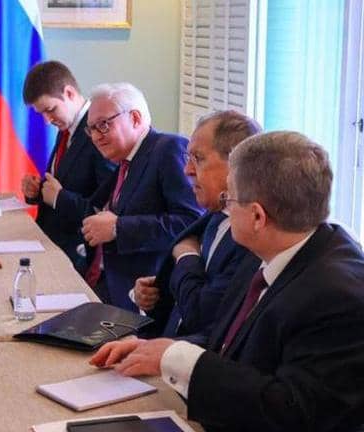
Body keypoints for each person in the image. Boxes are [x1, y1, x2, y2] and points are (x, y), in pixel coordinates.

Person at [90, 131, 364, 432]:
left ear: (257, 217)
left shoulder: (338, 296)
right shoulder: (270, 249)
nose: (225, 210)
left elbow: (292, 410)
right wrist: (161, 350)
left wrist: (179, 359)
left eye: (229, 199)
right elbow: (229, 341)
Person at [134, 110, 261, 338]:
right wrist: (157, 294)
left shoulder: (252, 236)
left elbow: (200, 316)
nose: (187, 170)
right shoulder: (214, 216)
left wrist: (186, 257)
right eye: (188, 158)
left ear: (236, 163)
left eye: (198, 158)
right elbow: (195, 287)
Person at [81, 83, 201, 309]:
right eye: (91, 129)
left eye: (104, 125)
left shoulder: (168, 148)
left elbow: (191, 222)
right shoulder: (125, 161)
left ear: (135, 118)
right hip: (112, 287)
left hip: (149, 296)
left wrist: (118, 228)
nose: (96, 136)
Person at [21, 61, 115, 275]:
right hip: (51, 245)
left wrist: (58, 197)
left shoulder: (98, 132)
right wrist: (37, 191)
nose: (47, 120)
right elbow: (69, 183)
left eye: (50, 110)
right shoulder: (67, 129)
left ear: (70, 93)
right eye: (42, 114)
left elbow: (106, 208)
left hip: (79, 258)